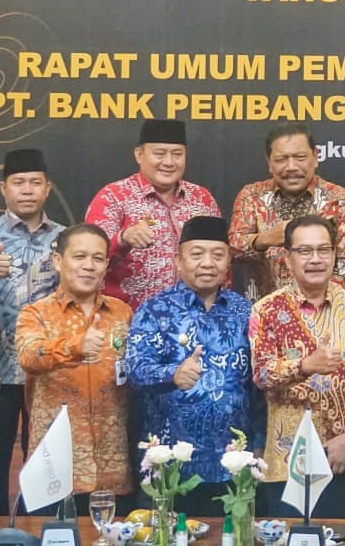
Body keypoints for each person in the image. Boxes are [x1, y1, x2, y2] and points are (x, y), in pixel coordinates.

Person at [251, 214, 345, 518]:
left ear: (335, 254)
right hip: (288, 459)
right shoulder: (267, 309)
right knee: (291, 537)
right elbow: (261, 373)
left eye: (324, 250)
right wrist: (305, 365)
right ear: (288, 258)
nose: (315, 259)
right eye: (304, 251)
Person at [127, 215, 258, 515]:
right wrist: (172, 374)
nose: (207, 263)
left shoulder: (245, 311)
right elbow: (135, 369)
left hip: (233, 463)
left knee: (231, 535)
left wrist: (260, 441)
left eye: (217, 255)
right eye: (197, 254)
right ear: (178, 260)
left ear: (228, 261)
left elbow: (257, 386)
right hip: (171, 464)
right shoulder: (155, 310)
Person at [0, 148, 62, 515]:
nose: (27, 190)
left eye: (35, 183)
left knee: (45, 458)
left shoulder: (64, 238)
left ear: (47, 188)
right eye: (19, 183)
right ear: (4, 188)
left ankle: (41, 528)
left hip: (47, 367)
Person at [16, 223, 132, 512]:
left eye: (97, 258)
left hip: (112, 466)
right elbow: (29, 356)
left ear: (106, 265)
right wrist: (76, 346)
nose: (88, 266)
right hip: (55, 467)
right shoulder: (36, 314)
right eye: (79, 257)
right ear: (58, 261)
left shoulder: (123, 312)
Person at [86, 118, 222, 309]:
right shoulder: (113, 197)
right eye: (159, 153)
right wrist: (123, 238)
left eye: (177, 154)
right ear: (139, 154)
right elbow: (88, 254)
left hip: (194, 317)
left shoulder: (202, 199)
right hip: (127, 317)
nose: (169, 162)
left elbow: (222, 259)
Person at [227, 123, 345, 300]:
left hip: (325, 309)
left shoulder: (340, 200)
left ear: (315, 157)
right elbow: (230, 250)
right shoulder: (251, 196)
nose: (291, 166)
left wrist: (312, 304)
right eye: (281, 159)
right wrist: (263, 239)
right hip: (262, 310)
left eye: (300, 157)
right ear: (269, 163)